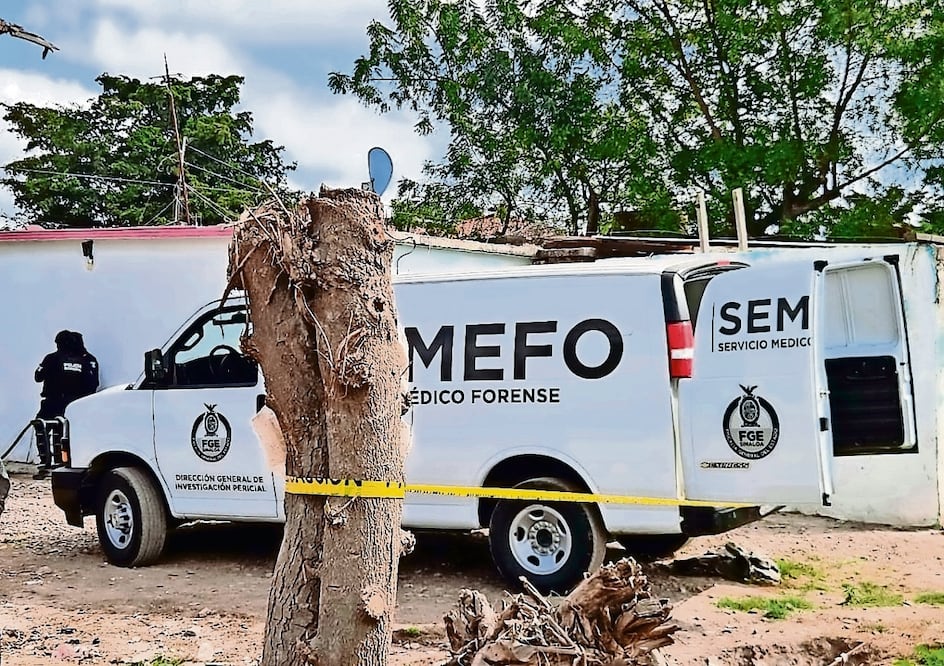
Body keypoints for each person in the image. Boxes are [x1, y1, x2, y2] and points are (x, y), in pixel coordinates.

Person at [32, 330, 99, 475]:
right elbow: (93, 384)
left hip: (53, 401)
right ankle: (63, 461)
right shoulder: (87, 360)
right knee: (65, 431)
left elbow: (38, 376)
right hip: (77, 404)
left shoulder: (52, 358)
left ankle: (46, 461)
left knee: (41, 426)